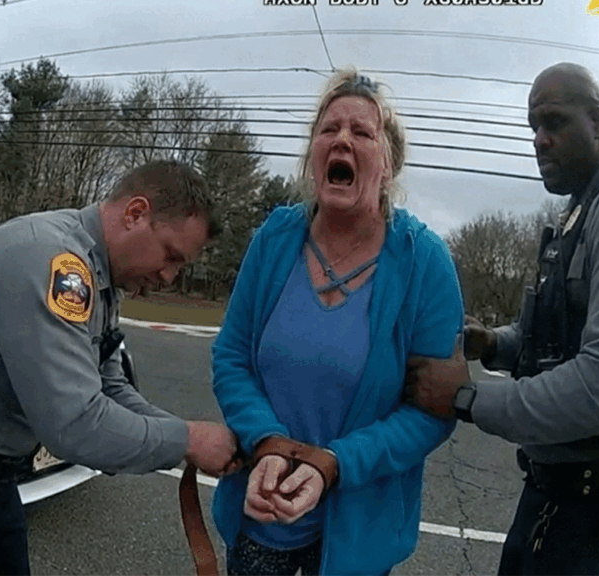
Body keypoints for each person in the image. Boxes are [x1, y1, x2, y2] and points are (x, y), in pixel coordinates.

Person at [0, 159, 242, 576]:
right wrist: (187, 439)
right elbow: (74, 424)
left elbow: (109, 385)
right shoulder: (48, 257)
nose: (169, 277)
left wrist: (186, 437)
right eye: (171, 257)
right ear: (135, 214)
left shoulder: (100, 275)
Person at [207, 68, 465, 576]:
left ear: (388, 167)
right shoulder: (275, 239)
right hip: (263, 518)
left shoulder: (425, 262)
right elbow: (232, 357)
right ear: (313, 157)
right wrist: (267, 442)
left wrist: (337, 463)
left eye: (362, 133)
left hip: (359, 536)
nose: (342, 139)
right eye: (329, 130)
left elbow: (434, 410)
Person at [405, 62, 599, 576]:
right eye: (533, 128)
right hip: (552, 492)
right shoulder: (577, 211)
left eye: (554, 123)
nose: (540, 141)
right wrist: (495, 344)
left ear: (597, 120)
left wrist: (466, 397)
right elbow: (555, 337)